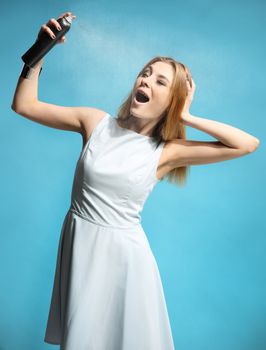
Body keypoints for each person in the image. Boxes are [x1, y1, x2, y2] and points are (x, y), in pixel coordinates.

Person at [11, 11, 260, 350]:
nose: (146, 81)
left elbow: (247, 144)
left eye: (161, 82)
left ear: (171, 101)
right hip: (81, 247)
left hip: (125, 262)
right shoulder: (95, 122)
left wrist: (186, 116)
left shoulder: (166, 152)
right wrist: (39, 53)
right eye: (146, 73)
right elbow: (24, 105)